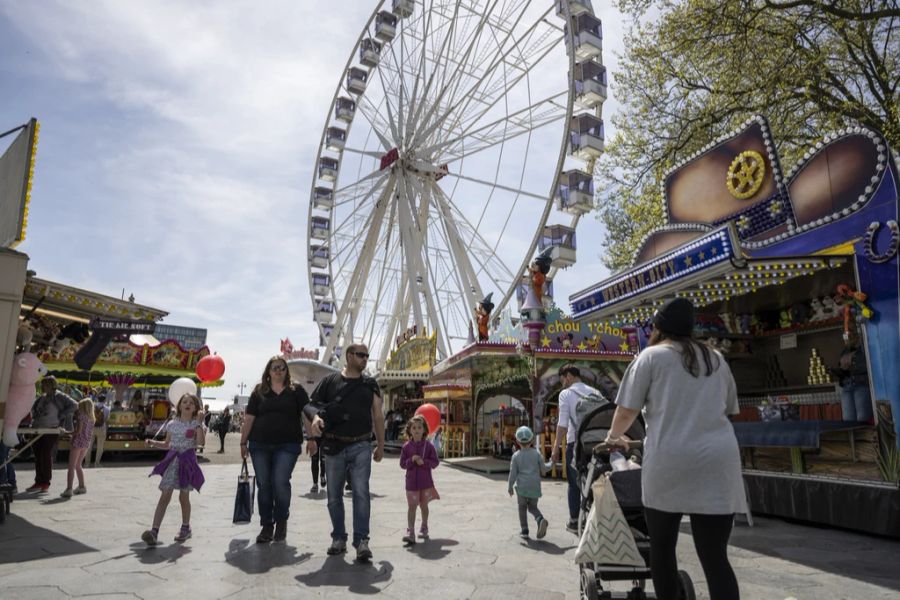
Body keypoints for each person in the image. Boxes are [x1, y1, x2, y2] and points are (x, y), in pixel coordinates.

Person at [603, 297, 745, 600]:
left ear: (657, 328)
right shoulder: (716, 359)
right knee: (715, 557)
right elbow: (731, 409)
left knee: (663, 548)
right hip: (718, 460)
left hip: (670, 458)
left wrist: (613, 437)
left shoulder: (651, 357)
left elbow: (627, 411)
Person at [306, 343, 385, 561]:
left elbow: (377, 414)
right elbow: (310, 405)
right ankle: (338, 538)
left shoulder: (370, 384)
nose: (365, 359)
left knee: (361, 493)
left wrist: (380, 443)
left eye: (367, 356)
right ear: (349, 356)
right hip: (334, 446)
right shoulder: (330, 381)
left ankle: (362, 541)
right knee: (333, 496)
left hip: (361, 444)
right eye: (361, 355)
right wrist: (316, 419)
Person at [239, 356, 315, 544]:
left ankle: (281, 520)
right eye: (275, 368)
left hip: (288, 444)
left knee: (280, 481)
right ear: (269, 372)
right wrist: (243, 442)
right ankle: (266, 525)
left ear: (286, 371)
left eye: (282, 367)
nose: (278, 370)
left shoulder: (296, 391)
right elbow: (249, 418)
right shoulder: (259, 392)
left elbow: (307, 413)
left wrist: (312, 438)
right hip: (259, 444)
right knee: (264, 485)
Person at [142, 393, 205, 546]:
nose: (187, 404)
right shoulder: (172, 424)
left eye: (191, 402)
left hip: (187, 461)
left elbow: (201, 443)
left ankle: (185, 527)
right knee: (165, 495)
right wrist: (152, 442)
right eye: (184, 402)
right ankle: (154, 531)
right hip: (173, 461)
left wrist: (198, 423)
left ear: (196, 407)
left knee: (183, 497)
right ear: (180, 406)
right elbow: (167, 444)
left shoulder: (197, 424)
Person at [550, 365, 606, 533]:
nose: (563, 384)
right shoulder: (596, 393)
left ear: (568, 376)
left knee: (575, 484)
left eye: (562, 380)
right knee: (597, 482)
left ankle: (575, 521)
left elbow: (562, 424)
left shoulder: (566, 394)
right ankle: (599, 520)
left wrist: (555, 448)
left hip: (576, 444)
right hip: (598, 444)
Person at [27, 376, 77, 493]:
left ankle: (45, 482)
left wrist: (61, 415)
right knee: (38, 455)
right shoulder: (42, 397)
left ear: (51, 385)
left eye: (45, 384)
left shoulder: (59, 396)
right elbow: (33, 410)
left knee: (45, 454)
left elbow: (74, 405)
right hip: (37, 429)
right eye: (42, 384)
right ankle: (39, 481)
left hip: (51, 429)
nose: (43, 386)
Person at [399, 415, 439, 544]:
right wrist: (411, 460)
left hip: (425, 483)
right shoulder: (406, 447)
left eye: (419, 427)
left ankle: (424, 526)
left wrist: (424, 462)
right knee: (412, 506)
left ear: (424, 430)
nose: (416, 430)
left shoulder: (429, 446)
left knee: (423, 506)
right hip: (411, 483)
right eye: (414, 428)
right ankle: (411, 531)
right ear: (410, 430)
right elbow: (402, 464)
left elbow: (435, 462)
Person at [508, 425, 551, 539]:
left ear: (517, 441)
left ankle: (524, 530)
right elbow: (544, 469)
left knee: (522, 507)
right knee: (532, 507)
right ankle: (540, 519)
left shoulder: (515, 456)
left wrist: (510, 487)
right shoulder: (537, 454)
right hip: (535, 486)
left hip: (521, 487)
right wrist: (552, 463)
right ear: (532, 440)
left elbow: (513, 474)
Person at [832, 330, 874, 422]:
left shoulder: (865, 348)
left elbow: (870, 366)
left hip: (861, 384)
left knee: (862, 419)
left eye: (850, 335)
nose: (848, 338)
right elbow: (844, 370)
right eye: (846, 336)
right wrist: (839, 371)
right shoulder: (845, 351)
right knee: (848, 421)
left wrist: (852, 364)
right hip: (847, 386)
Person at [61, 398, 95, 498]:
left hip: (77, 442)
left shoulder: (81, 416)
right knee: (78, 465)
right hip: (86, 443)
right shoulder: (92, 418)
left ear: (83, 407)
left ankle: (69, 489)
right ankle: (81, 486)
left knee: (71, 466)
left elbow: (78, 431)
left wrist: (66, 432)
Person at [88, 394, 110, 467]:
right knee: (100, 447)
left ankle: (86, 463)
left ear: (98, 399)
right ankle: (96, 464)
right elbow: (106, 420)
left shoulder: (92, 406)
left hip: (91, 428)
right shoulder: (107, 408)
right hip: (101, 428)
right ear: (104, 400)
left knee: (89, 446)